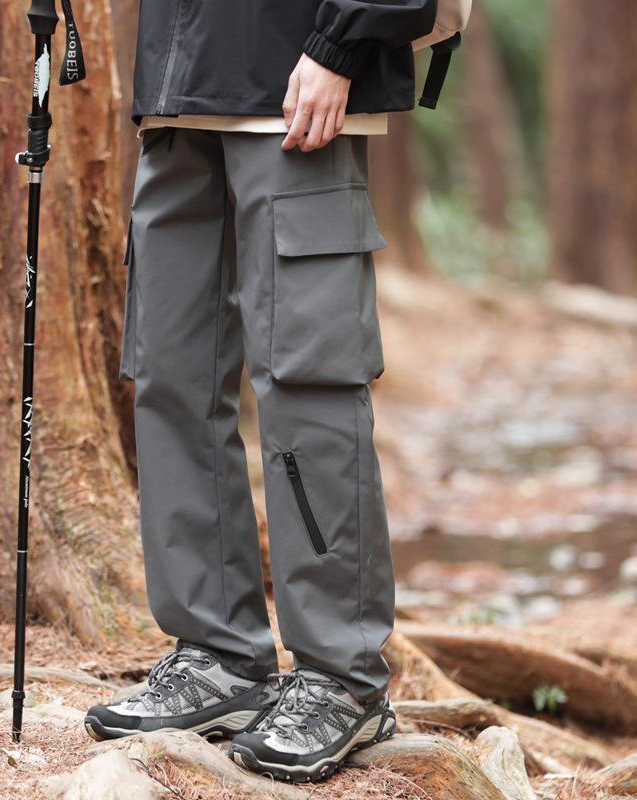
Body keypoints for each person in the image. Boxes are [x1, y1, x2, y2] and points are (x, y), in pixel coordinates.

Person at [85, 0, 436, 782]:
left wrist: (340, 45)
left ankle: (341, 680)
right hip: (177, 96)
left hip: (298, 85)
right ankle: (217, 657)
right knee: (169, 380)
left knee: (308, 386)